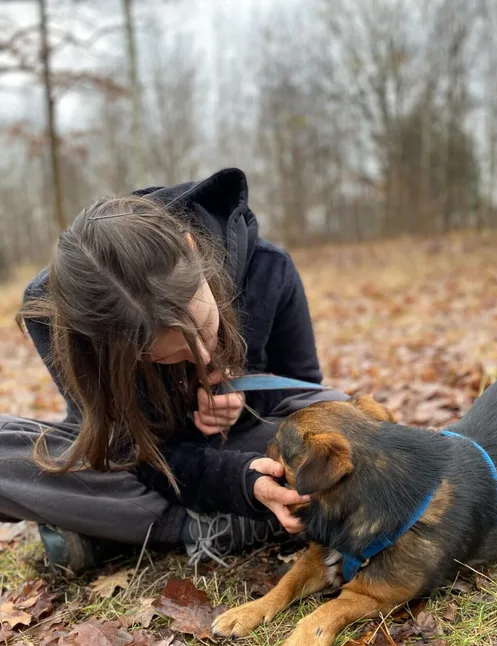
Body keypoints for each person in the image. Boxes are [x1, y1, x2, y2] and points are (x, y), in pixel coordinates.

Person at [0, 168, 347, 572]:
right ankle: (205, 526)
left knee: (337, 414)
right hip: (141, 464)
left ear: (192, 249)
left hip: (242, 440)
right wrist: (241, 482)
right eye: (163, 356)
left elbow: (303, 388)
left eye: (201, 327)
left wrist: (245, 398)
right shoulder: (64, 323)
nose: (201, 353)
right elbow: (128, 449)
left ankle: (109, 531)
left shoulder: (269, 269)